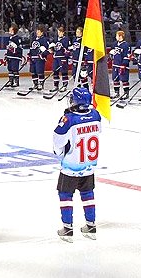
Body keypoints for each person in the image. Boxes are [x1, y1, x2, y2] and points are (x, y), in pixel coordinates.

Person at [53, 87, 101, 242]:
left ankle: (67, 229)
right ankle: (91, 226)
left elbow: (58, 140)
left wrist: (60, 151)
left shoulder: (69, 119)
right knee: (88, 194)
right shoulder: (95, 115)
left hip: (71, 166)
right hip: (89, 165)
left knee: (65, 194)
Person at [110, 29, 131, 103]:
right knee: (115, 79)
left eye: (117, 35)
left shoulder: (126, 45)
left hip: (122, 66)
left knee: (124, 79)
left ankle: (126, 93)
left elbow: (127, 56)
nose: (116, 37)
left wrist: (124, 64)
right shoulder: (115, 44)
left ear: (121, 36)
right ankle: (116, 92)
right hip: (115, 64)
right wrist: (111, 55)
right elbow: (112, 52)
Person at [28, 27, 49, 94]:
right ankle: (35, 84)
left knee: (39, 71)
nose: (37, 33)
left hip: (39, 58)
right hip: (33, 58)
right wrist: (29, 54)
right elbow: (31, 48)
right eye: (37, 31)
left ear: (42, 33)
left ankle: (41, 84)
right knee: (33, 71)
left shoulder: (44, 40)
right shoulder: (33, 39)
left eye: (39, 32)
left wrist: (43, 54)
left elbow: (47, 50)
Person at [3, 25, 22, 90]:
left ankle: (16, 82)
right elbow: (8, 48)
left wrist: (16, 48)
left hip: (15, 57)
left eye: (11, 30)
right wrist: (7, 54)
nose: (9, 31)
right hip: (10, 56)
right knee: (10, 68)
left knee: (15, 69)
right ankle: (10, 81)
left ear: (14, 31)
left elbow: (19, 48)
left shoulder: (17, 38)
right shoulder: (10, 38)